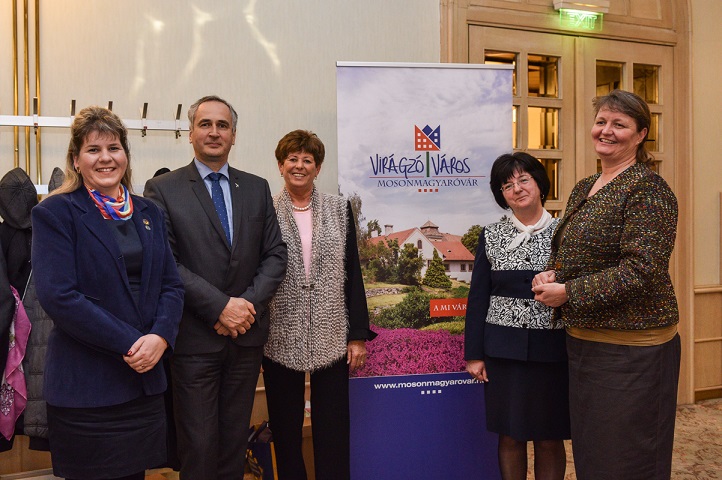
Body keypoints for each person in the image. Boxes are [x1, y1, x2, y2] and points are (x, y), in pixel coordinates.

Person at [532, 89, 680, 480]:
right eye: (601, 121)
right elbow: (572, 251)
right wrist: (553, 272)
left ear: (641, 134)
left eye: (619, 124)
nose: (606, 131)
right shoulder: (585, 186)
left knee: (628, 460)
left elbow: (641, 270)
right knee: (595, 456)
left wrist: (569, 292)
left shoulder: (649, 189)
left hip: (632, 352)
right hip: (585, 344)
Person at [31, 106, 184, 480]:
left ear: (125, 155)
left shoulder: (149, 212)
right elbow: (59, 297)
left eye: (114, 148)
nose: (105, 158)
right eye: (93, 149)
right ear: (76, 159)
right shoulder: (56, 212)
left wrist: (161, 337)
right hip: (88, 388)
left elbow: (171, 284)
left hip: (143, 383)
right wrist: (133, 344)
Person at [143, 95, 287, 480]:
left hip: (245, 339)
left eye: (222, 125)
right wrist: (221, 307)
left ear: (233, 135)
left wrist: (245, 306)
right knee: (199, 446)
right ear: (190, 133)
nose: (214, 132)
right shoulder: (162, 189)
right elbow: (165, 262)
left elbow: (275, 255)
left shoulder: (256, 188)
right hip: (194, 341)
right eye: (205, 124)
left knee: (233, 446)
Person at [262, 129, 376, 480]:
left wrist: (357, 335)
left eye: (307, 160)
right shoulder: (264, 209)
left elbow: (353, 273)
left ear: (318, 167)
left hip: (332, 332)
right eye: (292, 159)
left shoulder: (339, 209)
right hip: (279, 333)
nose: (299, 166)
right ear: (280, 165)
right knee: (286, 429)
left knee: (333, 428)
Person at [464, 152, 570, 480]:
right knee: (509, 435)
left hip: (553, 350)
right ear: (502, 195)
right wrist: (474, 355)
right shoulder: (491, 234)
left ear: (540, 184)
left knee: (549, 436)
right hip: (502, 352)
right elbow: (478, 297)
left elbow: (579, 285)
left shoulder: (565, 231)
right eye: (507, 185)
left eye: (524, 180)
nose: (517, 189)